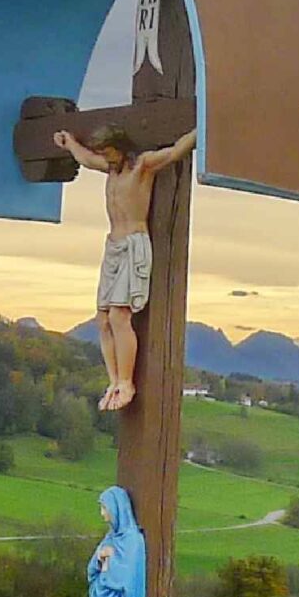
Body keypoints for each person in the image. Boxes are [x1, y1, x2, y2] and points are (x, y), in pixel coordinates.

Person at [52, 123, 197, 411]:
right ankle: (114, 380)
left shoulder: (142, 166)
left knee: (120, 316)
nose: (106, 159)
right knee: (103, 319)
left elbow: (176, 150)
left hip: (133, 244)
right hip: (113, 246)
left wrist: (202, 126)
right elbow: (84, 158)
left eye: (109, 153)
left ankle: (127, 382)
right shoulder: (109, 168)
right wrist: (68, 142)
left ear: (120, 147)